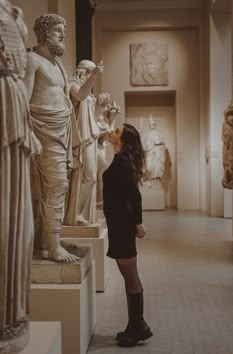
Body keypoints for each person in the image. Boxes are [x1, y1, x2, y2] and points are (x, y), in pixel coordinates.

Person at [0, 0, 40, 350]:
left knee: (20, 224)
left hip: (14, 111)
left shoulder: (12, 13)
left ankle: (12, 313)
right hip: (5, 107)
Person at [24, 14, 79, 262]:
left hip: (61, 129)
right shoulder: (32, 60)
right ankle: (53, 246)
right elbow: (22, 100)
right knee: (57, 185)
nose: (62, 35)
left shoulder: (58, 64)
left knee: (52, 188)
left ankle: (48, 241)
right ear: (45, 33)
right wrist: (29, 131)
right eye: (58, 31)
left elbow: (67, 97)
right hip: (43, 130)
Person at [102, 123, 153, 347]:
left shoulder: (122, 164)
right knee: (128, 274)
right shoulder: (120, 159)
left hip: (122, 225)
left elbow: (135, 196)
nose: (112, 132)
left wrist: (138, 223)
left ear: (122, 140)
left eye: (116, 131)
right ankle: (134, 325)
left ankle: (139, 326)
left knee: (130, 274)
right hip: (118, 224)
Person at [64, 59, 103, 225]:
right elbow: (80, 95)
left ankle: (84, 215)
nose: (91, 75)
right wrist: (93, 77)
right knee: (87, 175)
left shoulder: (89, 91)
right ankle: (76, 213)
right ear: (82, 71)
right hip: (81, 138)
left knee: (90, 176)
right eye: (90, 72)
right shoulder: (72, 84)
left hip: (90, 137)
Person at [141, 115, 165, 186]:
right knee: (148, 167)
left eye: (153, 124)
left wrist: (157, 145)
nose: (152, 125)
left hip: (157, 153)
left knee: (157, 167)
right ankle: (148, 180)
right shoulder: (146, 134)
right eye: (151, 124)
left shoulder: (159, 133)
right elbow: (143, 143)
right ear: (149, 125)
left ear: (155, 125)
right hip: (149, 152)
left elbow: (162, 144)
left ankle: (155, 181)